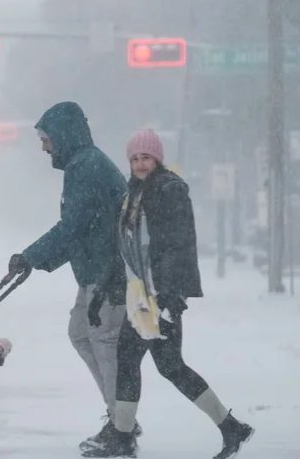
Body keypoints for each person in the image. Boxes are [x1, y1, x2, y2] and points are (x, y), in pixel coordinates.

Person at [81, 129, 254, 459]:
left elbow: (178, 245)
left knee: (141, 362)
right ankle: (229, 428)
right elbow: (126, 250)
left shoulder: (169, 190)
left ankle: (123, 438)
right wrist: (103, 292)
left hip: (159, 296)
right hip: (142, 296)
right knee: (165, 365)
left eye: (146, 157)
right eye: (134, 158)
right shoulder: (135, 195)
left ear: (157, 159)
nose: (140, 164)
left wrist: (172, 297)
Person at [7, 101, 135, 452]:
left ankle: (122, 429)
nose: (44, 146)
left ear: (63, 136)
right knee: (80, 333)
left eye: (46, 138)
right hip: (95, 270)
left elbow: (74, 227)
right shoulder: (83, 165)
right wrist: (33, 261)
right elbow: (79, 230)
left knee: (105, 343)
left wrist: (31, 256)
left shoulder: (87, 167)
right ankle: (119, 417)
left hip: (108, 273)